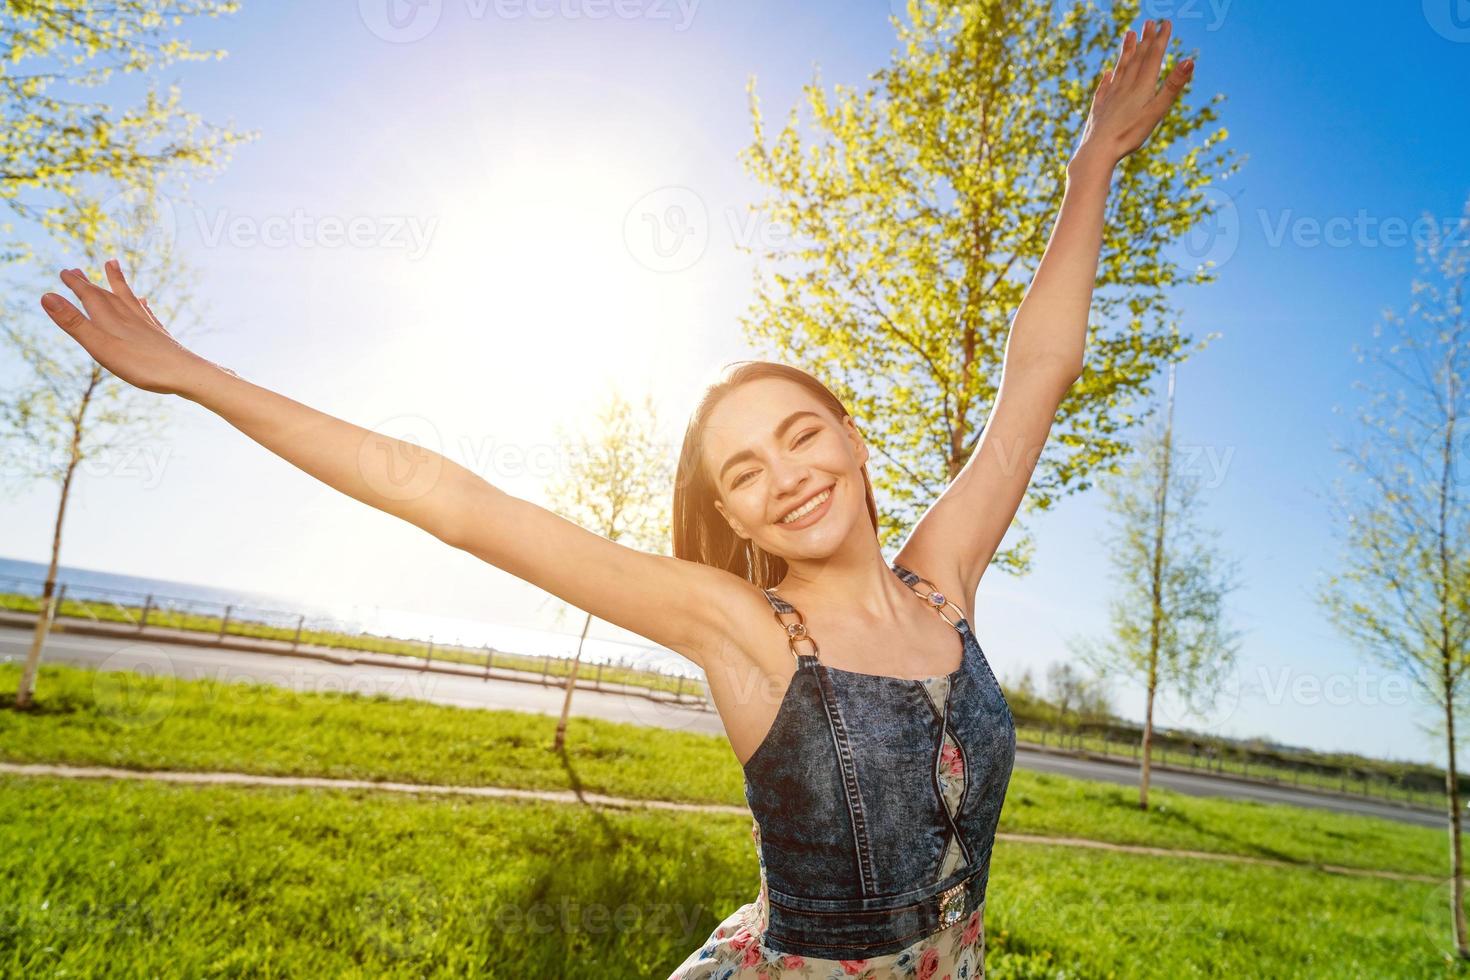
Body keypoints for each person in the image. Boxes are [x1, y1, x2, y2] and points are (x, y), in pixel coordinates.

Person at [37, 18, 1192, 977]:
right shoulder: (747, 630)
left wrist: (1092, 161)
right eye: (745, 471)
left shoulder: (943, 585)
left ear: (854, 440)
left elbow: (1037, 372)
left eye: (801, 435)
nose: (786, 475)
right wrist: (198, 374)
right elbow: (451, 497)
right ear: (733, 519)